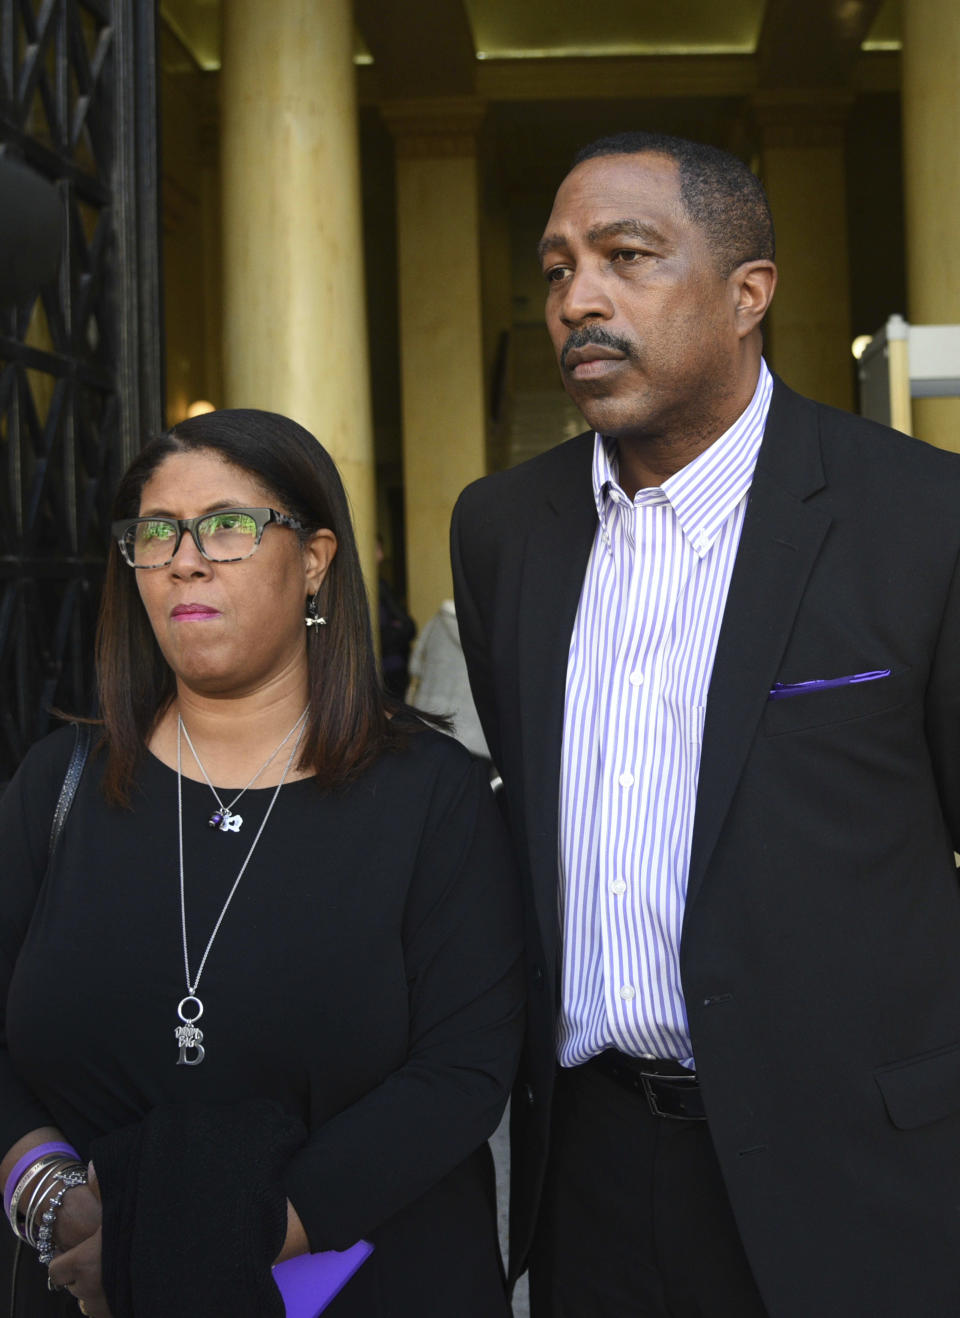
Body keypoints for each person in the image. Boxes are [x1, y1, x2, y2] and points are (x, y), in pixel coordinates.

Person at [451, 130, 960, 1318]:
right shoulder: (501, 531)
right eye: (559, 266)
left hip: (859, 1171)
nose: (581, 299)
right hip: (588, 1167)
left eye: (629, 257)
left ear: (748, 296)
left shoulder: (921, 520)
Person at [0, 408, 524, 1317]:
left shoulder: (434, 797)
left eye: (229, 526)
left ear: (316, 558)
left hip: (365, 1282)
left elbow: (462, 1074)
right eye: (156, 533)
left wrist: (185, 1244)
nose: (185, 559)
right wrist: (54, 1201)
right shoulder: (60, 786)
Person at [406, 600, 490, 764]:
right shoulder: (490, 634)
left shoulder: (439, 621)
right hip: (476, 735)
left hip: (429, 723)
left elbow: (414, 666)